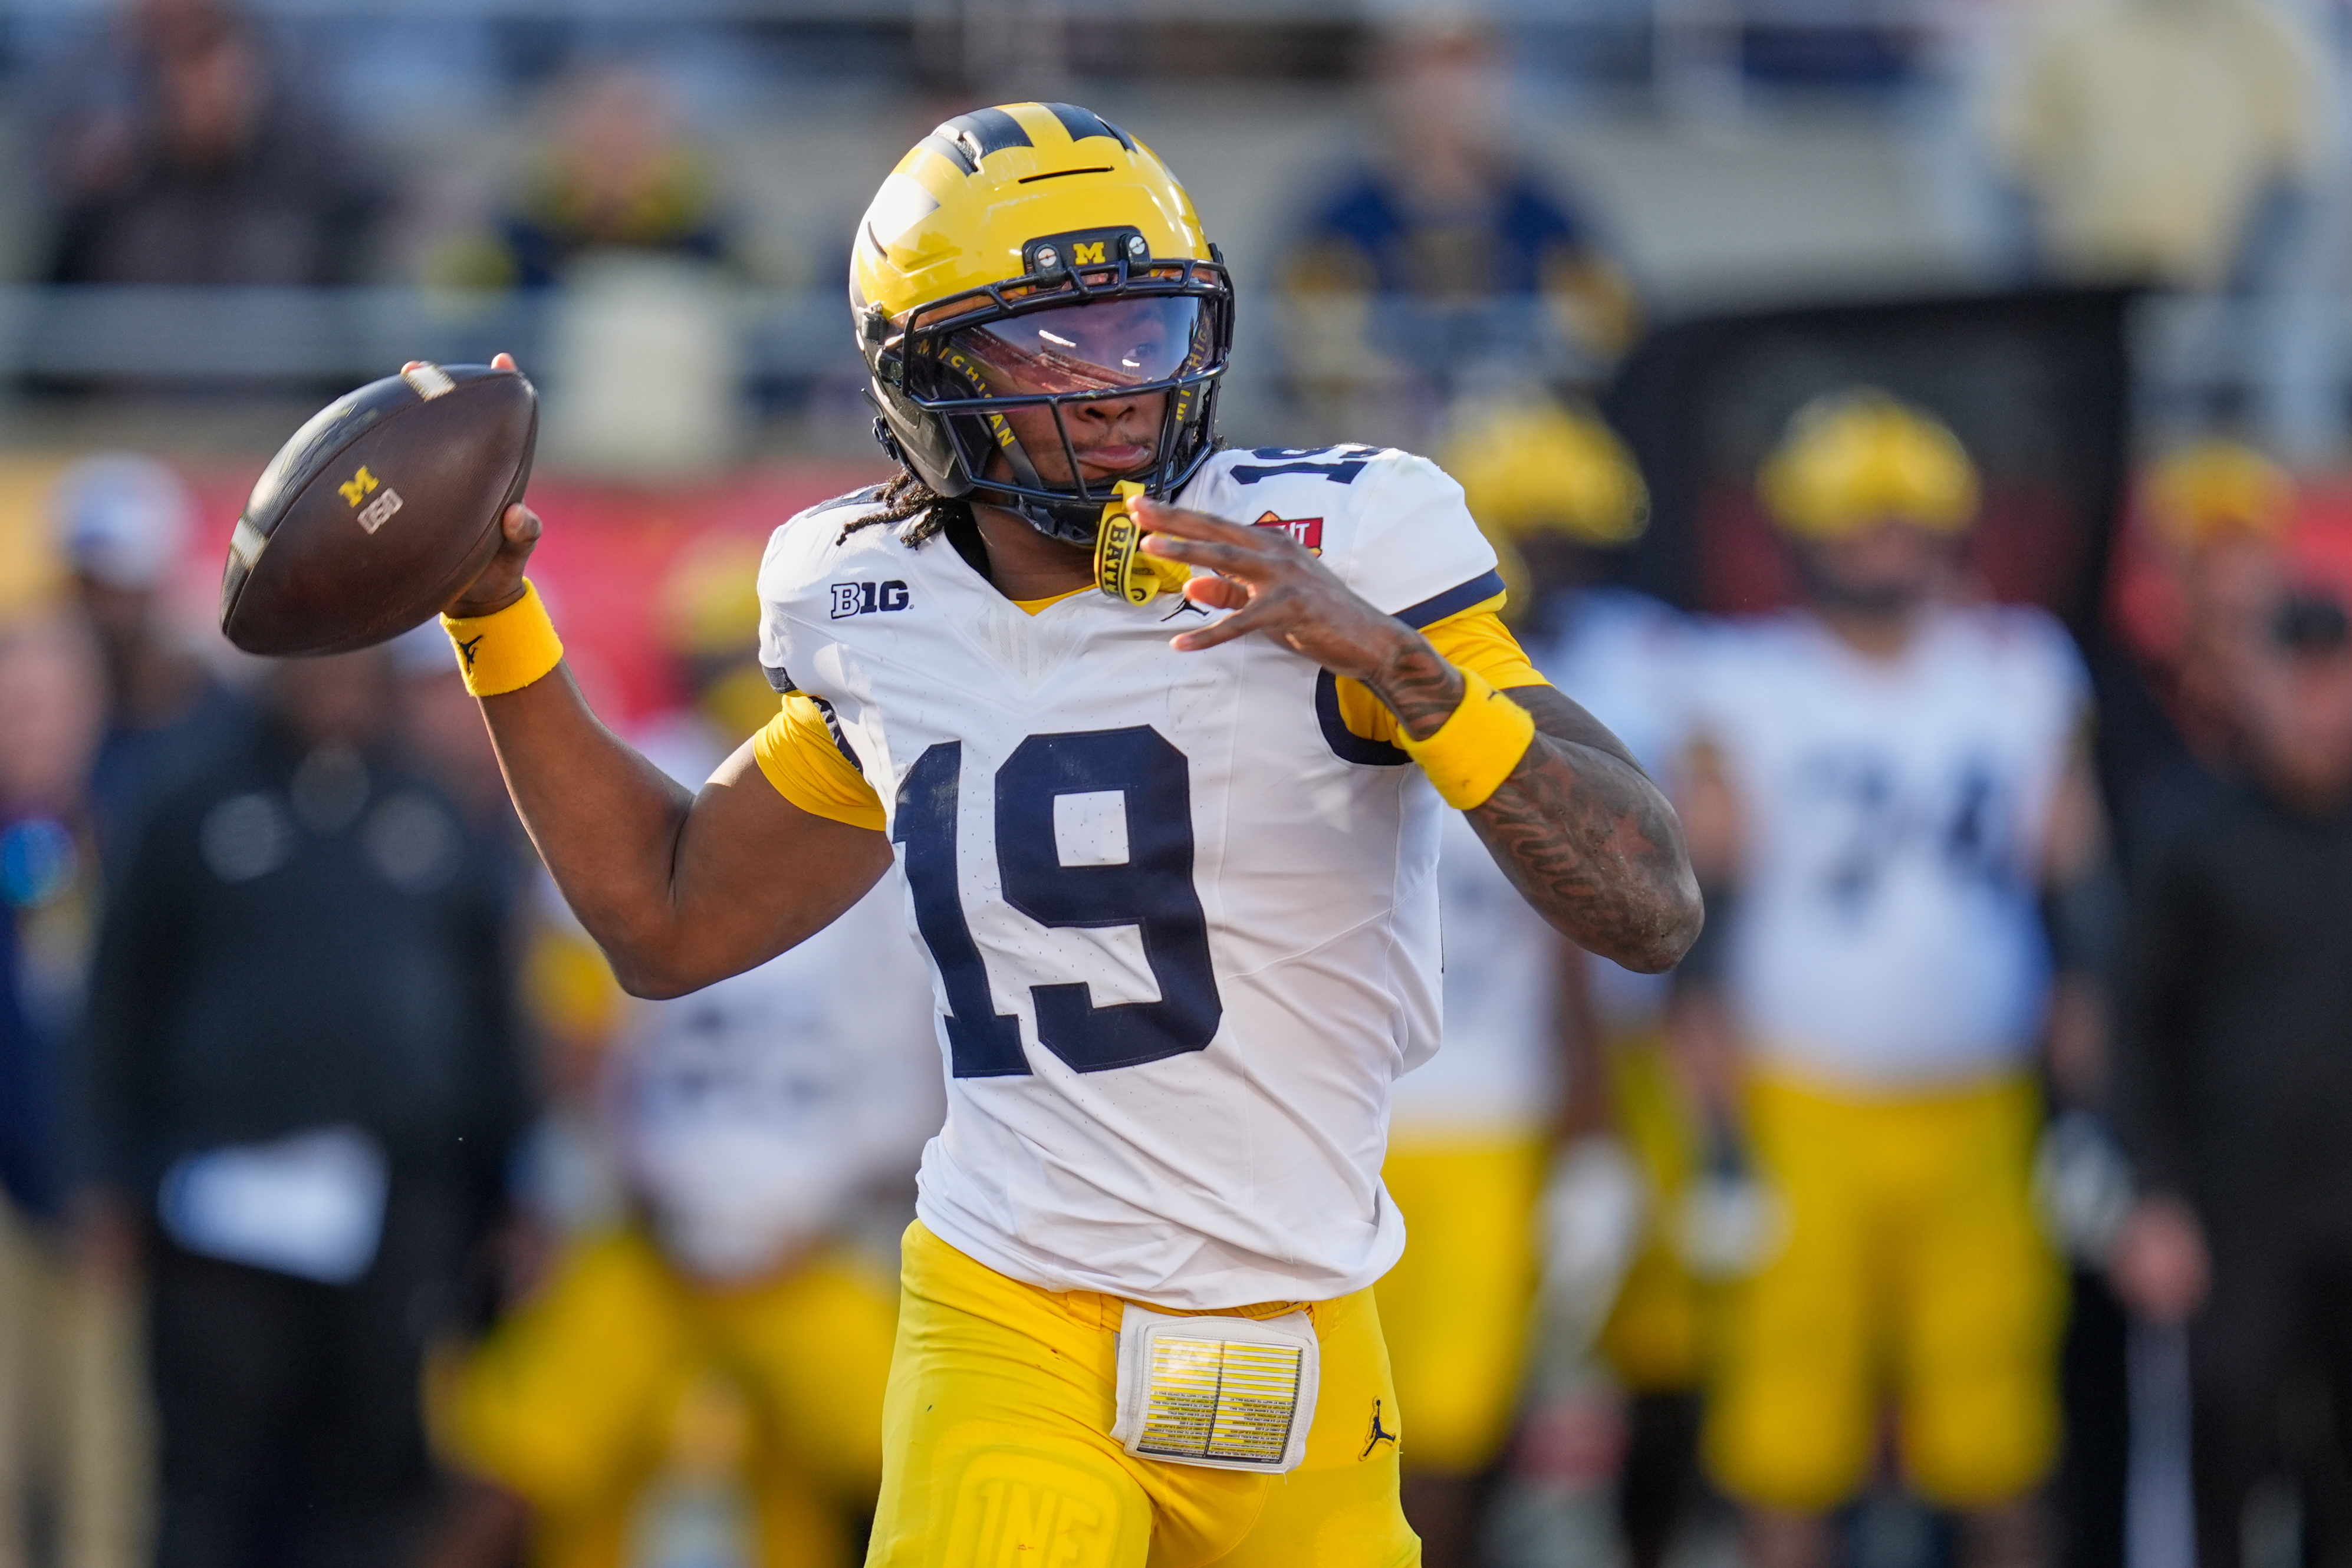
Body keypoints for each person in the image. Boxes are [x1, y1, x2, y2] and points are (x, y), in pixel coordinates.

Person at [420, 101, 1700, 1566]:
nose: (1119, 386)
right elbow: (670, 920)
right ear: (927, 371)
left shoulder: (1345, 545)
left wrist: (1402, 669)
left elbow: (1647, 905)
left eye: (1147, 326)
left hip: (1300, 1318)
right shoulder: (872, 598)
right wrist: (494, 620)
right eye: (1056, 343)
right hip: (1011, 1311)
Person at [432, 539, 939, 1568]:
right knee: (513, 1476)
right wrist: (573, 1183)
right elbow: (574, 1029)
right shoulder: (659, 768)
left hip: (807, 1243)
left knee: (915, 1476)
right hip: (650, 1235)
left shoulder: (887, 797)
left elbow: (924, 1033)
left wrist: (875, 1186)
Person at [1672, 390, 2108, 1568]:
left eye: (1902, 520)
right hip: (1801, 1105)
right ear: (1798, 532)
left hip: (1979, 1104)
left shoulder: (2019, 668)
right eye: (1856, 521)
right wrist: (1715, 1146)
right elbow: (1695, 931)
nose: (1879, 543)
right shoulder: (1740, 680)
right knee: (1784, 1440)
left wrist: (2089, 1115)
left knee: (1998, 1437)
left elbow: (2076, 907)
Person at [77, 649, 529, 1568]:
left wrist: (510, 1187)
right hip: (219, 1206)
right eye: (314, 648)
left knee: (372, 1479)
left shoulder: (431, 807)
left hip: (394, 1205)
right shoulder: (191, 797)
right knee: (208, 1480)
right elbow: (118, 995)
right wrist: (102, 1174)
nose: (335, 672)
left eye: (354, 649)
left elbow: (492, 1013)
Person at [2108, 587, 2352, 1568]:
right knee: (2221, 1468)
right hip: (2232, 1217)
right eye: (2295, 681)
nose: (2314, 708)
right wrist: (2151, 1196)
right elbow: (2136, 1027)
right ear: (2250, 685)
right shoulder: (2189, 829)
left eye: (2333, 682)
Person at [42, 0, 386, 287]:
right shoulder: (113, 180)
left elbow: (372, 208)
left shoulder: (305, 162)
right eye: (188, 67)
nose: (207, 90)